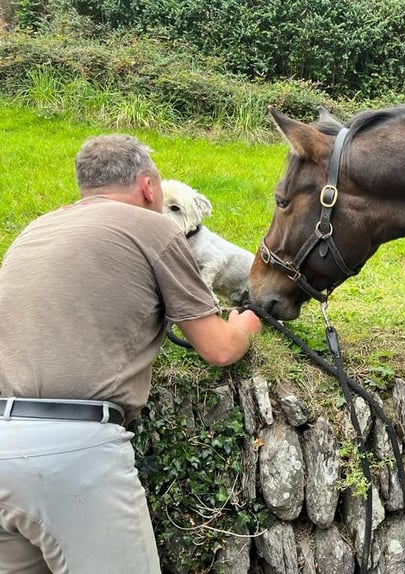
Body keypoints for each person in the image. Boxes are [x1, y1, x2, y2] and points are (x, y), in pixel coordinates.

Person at [0, 134, 261, 573]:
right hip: (73, 452)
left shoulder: (36, 229)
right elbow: (217, 348)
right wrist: (246, 323)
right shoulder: (153, 226)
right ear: (147, 187)